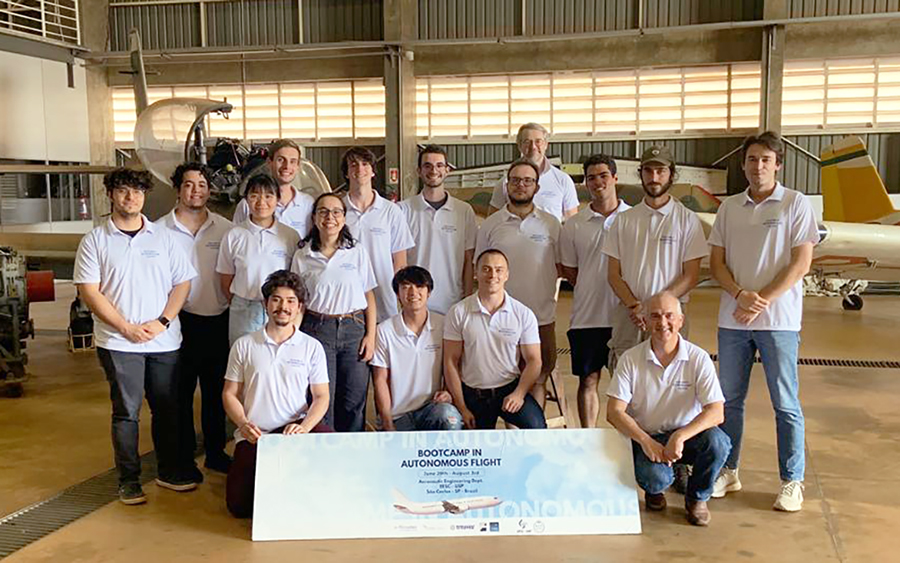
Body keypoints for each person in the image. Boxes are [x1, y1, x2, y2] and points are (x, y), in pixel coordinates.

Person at [709, 132, 819, 512]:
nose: (758, 167)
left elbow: (801, 263)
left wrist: (762, 301)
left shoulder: (795, 204)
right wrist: (740, 295)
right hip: (733, 320)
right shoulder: (729, 209)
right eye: (752, 159)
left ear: (778, 165)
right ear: (743, 164)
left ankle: (792, 480)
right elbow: (716, 264)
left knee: (785, 403)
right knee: (729, 401)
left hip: (780, 321)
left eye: (766, 160)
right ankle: (728, 468)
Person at [74, 168, 198, 505]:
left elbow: (182, 283)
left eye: (138, 192)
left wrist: (162, 321)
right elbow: (90, 291)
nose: (131, 198)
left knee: (167, 408)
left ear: (145, 196)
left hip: (164, 341)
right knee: (126, 412)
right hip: (118, 343)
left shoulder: (164, 238)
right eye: (124, 191)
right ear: (111, 195)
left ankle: (170, 471)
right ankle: (128, 480)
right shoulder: (95, 240)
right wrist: (125, 327)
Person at [606, 292, 731, 527]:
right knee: (655, 479)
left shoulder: (698, 358)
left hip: (686, 435)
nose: (662, 323)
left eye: (669, 316)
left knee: (719, 443)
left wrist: (680, 436)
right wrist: (645, 441)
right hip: (648, 436)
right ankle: (656, 489)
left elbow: (716, 411)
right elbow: (614, 411)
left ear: (681, 321)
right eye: (655, 316)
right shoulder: (630, 359)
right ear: (645, 321)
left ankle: (697, 498)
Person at [222, 270, 332, 518]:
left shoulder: (311, 347)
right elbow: (229, 393)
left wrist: (304, 427)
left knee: (328, 440)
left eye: (291, 301)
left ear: (299, 307)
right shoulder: (245, 344)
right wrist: (243, 424)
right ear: (266, 304)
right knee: (239, 507)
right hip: (256, 434)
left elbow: (322, 396)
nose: (283, 307)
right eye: (276, 299)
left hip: (294, 431)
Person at [602, 145, 709, 373]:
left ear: (672, 173)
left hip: (670, 316)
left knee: (669, 379)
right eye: (648, 171)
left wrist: (656, 307)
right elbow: (613, 274)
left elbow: (691, 275)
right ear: (640, 174)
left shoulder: (687, 220)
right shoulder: (624, 220)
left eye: (660, 171)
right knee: (625, 379)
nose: (654, 178)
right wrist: (635, 306)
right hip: (631, 316)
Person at [157, 162, 234, 477]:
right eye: (189, 185)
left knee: (216, 393)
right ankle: (184, 455)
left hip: (218, 320)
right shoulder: (158, 230)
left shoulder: (225, 229)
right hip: (177, 322)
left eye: (202, 185)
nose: (196, 190)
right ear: (178, 189)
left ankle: (215, 452)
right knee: (180, 394)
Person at [476, 159, 561, 407]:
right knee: (502, 377)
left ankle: (532, 435)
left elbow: (561, 266)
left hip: (541, 316)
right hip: (499, 317)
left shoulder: (551, 224)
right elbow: (479, 269)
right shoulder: (491, 225)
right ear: (507, 185)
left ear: (536, 187)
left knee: (538, 376)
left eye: (527, 180)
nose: (521, 185)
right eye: (515, 180)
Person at [291, 193, 378, 432]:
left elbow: (369, 295)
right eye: (323, 212)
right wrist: (294, 338)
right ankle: (324, 459)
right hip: (317, 330)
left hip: (354, 330)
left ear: (344, 218)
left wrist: (371, 337)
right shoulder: (303, 255)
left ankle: (352, 459)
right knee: (321, 400)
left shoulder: (356, 251)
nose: (330, 217)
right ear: (315, 218)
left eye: (336, 212)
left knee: (353, 399)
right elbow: (299, 303)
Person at [559, 154, 630, 428]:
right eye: (591, 177)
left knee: (627, 386)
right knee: (588, 380)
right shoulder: (574, 225)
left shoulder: (633, 219)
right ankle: (588, 437)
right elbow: (571, 272)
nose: (597, 182)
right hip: (587, 318)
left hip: (625, 318)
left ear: (614, 178)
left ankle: (628, 444)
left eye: (603, 176)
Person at [443, 249, 547, 430]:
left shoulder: (523, 314)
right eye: (486, 269)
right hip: (473, 393)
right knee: (476, 449)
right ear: (475, 273)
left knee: (536, 426)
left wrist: (519, 394)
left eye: (499, 270)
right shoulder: (458, 312)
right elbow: (451, 361)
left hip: (509, 388)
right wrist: (462, 407)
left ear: (507, 275)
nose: (493, 275)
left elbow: (534, 361)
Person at [372, 266, 463, 431]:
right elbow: (380, 380)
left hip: (431, 409)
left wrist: (448, 392)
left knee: (450, 416)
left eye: (419, 286)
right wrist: (387, 423)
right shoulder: (384, 330)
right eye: (406, 287)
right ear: (398, 294)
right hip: (398, 416)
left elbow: (454, 364)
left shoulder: (443, 325)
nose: (413, 292)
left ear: (428, 292)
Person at [217, 174, 301, 345]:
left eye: (268, 196)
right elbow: (226, 278)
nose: (261, 202)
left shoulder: (289, 236)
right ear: (246, 200)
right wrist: (241, 302)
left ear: (277, 199)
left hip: (281, 308)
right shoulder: (234, 235)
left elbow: (296, 279)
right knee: (243, 360)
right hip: (243, 308)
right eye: (254, 196)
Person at [399, 144, 477, 315]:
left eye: (439, 165)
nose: (433, 170)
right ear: (419, 171)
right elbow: (400, 261)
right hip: (415, 304)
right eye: (427, 165)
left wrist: (467, 300)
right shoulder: (403, 210)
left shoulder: (464, 211)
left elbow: (468, 259)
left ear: (447, 170)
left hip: (452, 304)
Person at [340, 146, 415, 323]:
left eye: (365, 164)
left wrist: (399, 297)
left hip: (384, 300)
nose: (360, 169)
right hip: (348, 301)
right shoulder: (337, 210)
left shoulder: (391, 211)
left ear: (373, 171)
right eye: (353, 165)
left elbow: (400, 262)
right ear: (346, 173)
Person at [488, 122, 579, 221]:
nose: (533, 147)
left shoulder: (563, 180)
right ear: (519, 146)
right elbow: (492, 221)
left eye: (538, 141)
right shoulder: (505, 183)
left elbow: (572, 222)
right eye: (527, 142)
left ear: (546, 144)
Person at [232, 139, 315, 237]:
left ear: (298, 166)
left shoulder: (309, 204)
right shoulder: (247, 205)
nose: (286, 166)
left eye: (292, 161)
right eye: (281, 160)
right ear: (269, 162)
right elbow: (235, 240)